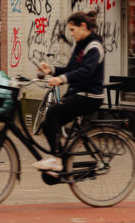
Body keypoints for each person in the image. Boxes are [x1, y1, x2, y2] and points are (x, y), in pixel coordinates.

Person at [32, 11, 105, 171]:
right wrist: (51, 70)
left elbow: (86, 71)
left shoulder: (94, 47)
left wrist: (61, 79)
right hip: (77, 93)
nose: (71, 34)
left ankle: (56, 160)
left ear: (83, 26)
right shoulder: (80, 46)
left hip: (89, 96)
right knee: (48, 124)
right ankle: (59, 159)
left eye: (73, 30)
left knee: (52, 113)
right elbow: (71, 69)